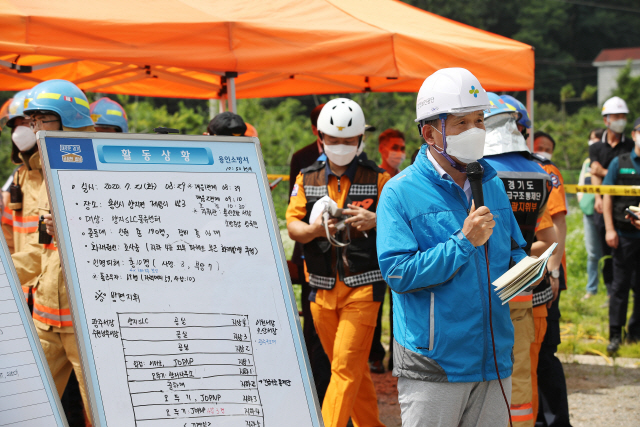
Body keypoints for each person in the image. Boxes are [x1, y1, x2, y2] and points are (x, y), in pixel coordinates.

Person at [377, 68, 532, 427]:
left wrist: (529, 270)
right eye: (461, 123)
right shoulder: (399, 192)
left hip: (494, 358)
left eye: (479, 120)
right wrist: (463, 243)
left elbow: (512, 250)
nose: (475, 131)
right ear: (431, 133)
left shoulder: (490, 182)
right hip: (435, 364)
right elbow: (399, 273)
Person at [287, 98, 388, 427]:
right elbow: (294, 226)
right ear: (320, 138)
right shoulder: (307, 178)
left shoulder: (380, 179)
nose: (341, 146)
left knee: (344, 370)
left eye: (348, 140)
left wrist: (375, 219)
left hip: (362, 288)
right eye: (333, 140)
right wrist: (315, 229)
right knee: (349, 370)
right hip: (321, 289)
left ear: (361, 139)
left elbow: (400, 225)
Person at [22, 79, 96, 426]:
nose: (33, 127)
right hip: (45, 320)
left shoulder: (100, 168)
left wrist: (72, 232)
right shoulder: (44, 168)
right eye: (32, 119)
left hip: (87, 329)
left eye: (41, 119)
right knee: (27, 408)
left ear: (67, 120)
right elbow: (41, 250)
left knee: (102, 412)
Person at [483, 93, 557, 427]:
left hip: (474, 297)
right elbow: (548, 240)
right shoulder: (537, 174)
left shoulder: (472, 174)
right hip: (520, 297)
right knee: (522, 384)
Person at [286, 103, 333, 404]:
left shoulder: (359, 159)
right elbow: (295, 213)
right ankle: (314, 392)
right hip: (310, 253)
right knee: (312, 327)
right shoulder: (302, 158)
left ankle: (335, 396)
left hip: (344, 259)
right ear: (317, 129)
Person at [532, 131, 572, 427]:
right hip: (523, 276)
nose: (543, 152)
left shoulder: (546, 171)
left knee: (545, 352)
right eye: (540, 147)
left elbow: (558, 221)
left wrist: (554, 270)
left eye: (548, 148)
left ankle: (556, 420)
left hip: (546, 276)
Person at [367, 128, 406, 374]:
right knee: (374, 306)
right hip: (374, 253)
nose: (399, 153)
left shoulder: (406, 178)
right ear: (382, 149)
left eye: (402, 148)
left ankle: (396, 358)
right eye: (395, 148)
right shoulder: (374, 178)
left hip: (402, 252)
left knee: (399, 305)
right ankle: (374, 355)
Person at [1, 88, 44, 313]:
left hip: (55, 299)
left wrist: (8, 273)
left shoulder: (60, 176)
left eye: (27, 122)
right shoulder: (20, 177)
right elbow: (8, 237)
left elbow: (48, 251)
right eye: (16, 123)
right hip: (23, 297)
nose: (20, 130)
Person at [602, 117, 640, 354]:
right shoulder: (620, 162)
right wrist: (609, 229)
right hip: (623, 236)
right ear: (635, 134)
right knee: (619, 287)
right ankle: (615, 334)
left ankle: (635, 334)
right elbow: (606, 195)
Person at [589, 97, 634, 296]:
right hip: (605, 207)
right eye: (616, 116)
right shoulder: (596, 147)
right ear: (606, 120)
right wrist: (598, 198)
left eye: (623, 116)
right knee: (606, 251)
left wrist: (605, 172)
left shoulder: (631, 145)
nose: (620, 120)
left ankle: (629, 289)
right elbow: (594, 172)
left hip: (627, 206)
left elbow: (624, 175)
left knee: (629, 251)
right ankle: (610, 291)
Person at [578, 129, 604, 299]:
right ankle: (591, 289)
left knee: (609, 253)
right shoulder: (587, 162)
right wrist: (581, 201)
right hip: (589, 211)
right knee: (593, 253)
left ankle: (612, 290)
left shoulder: (608, 160)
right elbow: (580, 184)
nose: (593, 142)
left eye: (597, 139)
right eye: (591, 139)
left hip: (606, 212)